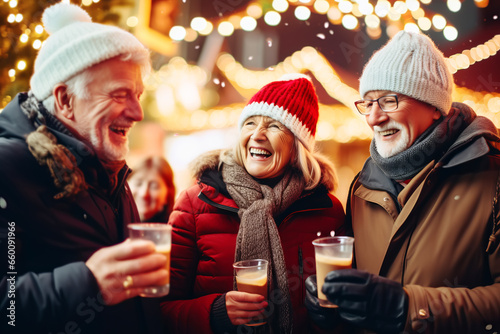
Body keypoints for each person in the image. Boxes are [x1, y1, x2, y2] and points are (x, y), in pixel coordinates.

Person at [305, 31, 500, 333]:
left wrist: (409, 308)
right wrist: (335, 306)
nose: (373, 118)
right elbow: (364, 291)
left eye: (388, 100)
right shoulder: (362, 188)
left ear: (434, 106)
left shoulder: (492, 176)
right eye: (367, 104)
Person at [0, 3, 168, 333]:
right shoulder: (7, 168)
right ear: (64, 100)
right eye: (120, 94)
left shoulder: (109, 169)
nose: (137, 112)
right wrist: (87, 283)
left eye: (137, 95)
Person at [160, 74, 346, 333]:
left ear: (297, 146)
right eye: (250, 123)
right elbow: (157, 311)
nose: (257, 135)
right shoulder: (195, 203)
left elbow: (348, 306)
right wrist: (215, 313)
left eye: (274, 126)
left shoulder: (328, 212)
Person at [128, 156, 176, 222]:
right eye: (138, 184)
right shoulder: (114, 224)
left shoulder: (176, 228)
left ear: (169, 193)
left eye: (154, 187)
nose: (144, 194)